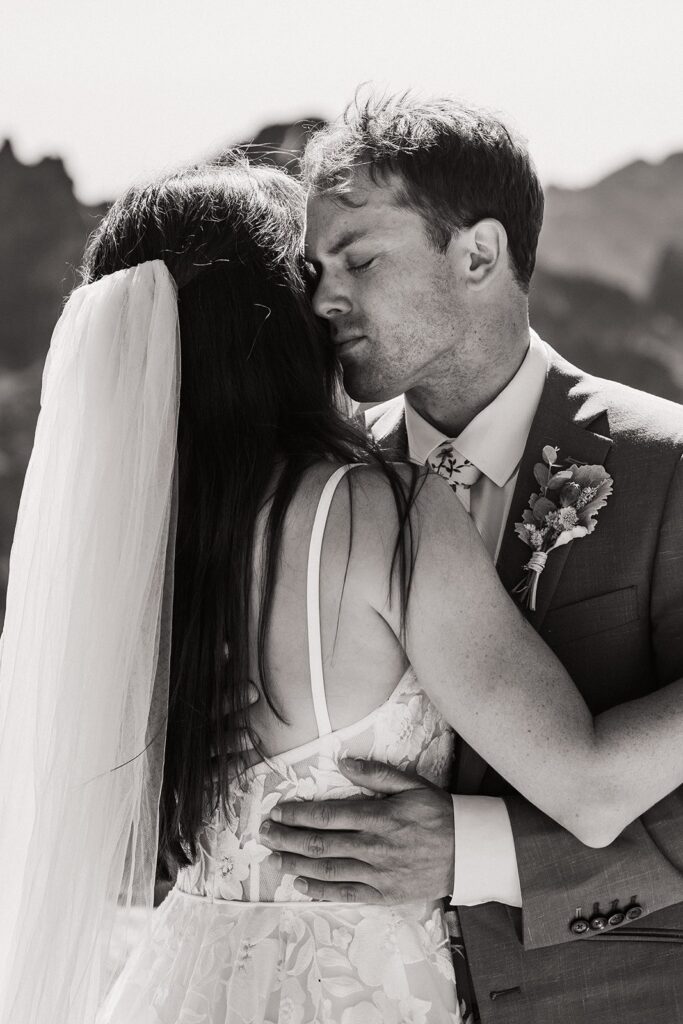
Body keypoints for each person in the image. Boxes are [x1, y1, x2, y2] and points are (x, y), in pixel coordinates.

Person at [0, 156, 682, 1024]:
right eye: (316, 276)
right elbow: (586, 784)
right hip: (363, 989)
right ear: (279, 319)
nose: (336, 303)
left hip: (183, 982)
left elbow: (106, 829)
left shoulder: (144, 539)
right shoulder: (375, 509)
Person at [259, 94, 683, 1024]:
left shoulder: (667, 470)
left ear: (479, 254)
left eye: (359, 259)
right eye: (312, 270)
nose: (323, 298)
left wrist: (479, 854)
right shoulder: (316, 496)